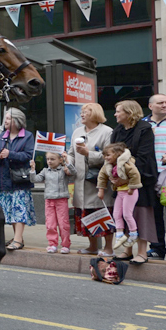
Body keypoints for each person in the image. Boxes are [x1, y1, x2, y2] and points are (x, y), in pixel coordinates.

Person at [111, 99, 158, 265]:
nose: (115, 114)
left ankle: (142, 253)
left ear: (129, 113)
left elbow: (144, 157)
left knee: (140, 215)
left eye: (118, 111)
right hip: (121, 183)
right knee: (123, 215)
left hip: (140, 180)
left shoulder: (144, 129)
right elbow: (112, 154)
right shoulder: (117, 130)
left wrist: (125, 174)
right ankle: (127, 251)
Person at [68, 102, 114, 257]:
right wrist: (67, 162)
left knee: (102, 213)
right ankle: (92, 246)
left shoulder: (107, 132)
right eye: (81, 112)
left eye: (85, 111)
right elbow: (71, 153)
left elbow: (110, 155)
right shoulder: (77, 132)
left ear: (94, 113)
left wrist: (89, 154)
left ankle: (108, 248)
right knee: (86, 213)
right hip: (80, 180)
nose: (82, 114)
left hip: (98, 182)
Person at [0, 107, 35, 250]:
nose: (6, 121)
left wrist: (11, 154)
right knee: (10, 210)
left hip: (20, 179)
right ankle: (18, 238)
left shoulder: (27, 136)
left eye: (8, 118)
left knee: (19, 209)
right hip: (4, 178)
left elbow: (28, 155)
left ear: (17, 120)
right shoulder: (0, 136)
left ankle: (17, 239)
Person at [96, 142, 142, 250]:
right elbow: (102, 176)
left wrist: (132, 187)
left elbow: (135, 174)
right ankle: (119, 234)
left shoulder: (126, 164)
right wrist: (101, 190)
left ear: (117, 154)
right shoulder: (108, 166)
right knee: (116, 214)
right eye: (105, 155)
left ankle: (133, 233)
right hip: (120, 192)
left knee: (127, 214)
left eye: (108, 155)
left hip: (130, 192)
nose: (106, 158)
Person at [30, 152, 75, 253]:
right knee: (50, 224)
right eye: (48, 159)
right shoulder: (45, 171)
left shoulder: (64, 170)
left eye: (52, 159)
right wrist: (33, 169)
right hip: (49, 200)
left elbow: (74, 173)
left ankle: (65, 245)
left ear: (60, 160)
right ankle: (52, 244)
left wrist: (67, 161)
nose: (49, 161)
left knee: (64, 224)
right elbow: (34, 180)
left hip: (61, 199)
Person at [144, 93, 166, 259]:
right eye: (161, 102)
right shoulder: (143, 124)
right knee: (154, 215)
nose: (165, 105)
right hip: (150, 176)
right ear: (150, 106)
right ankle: (157, 249)